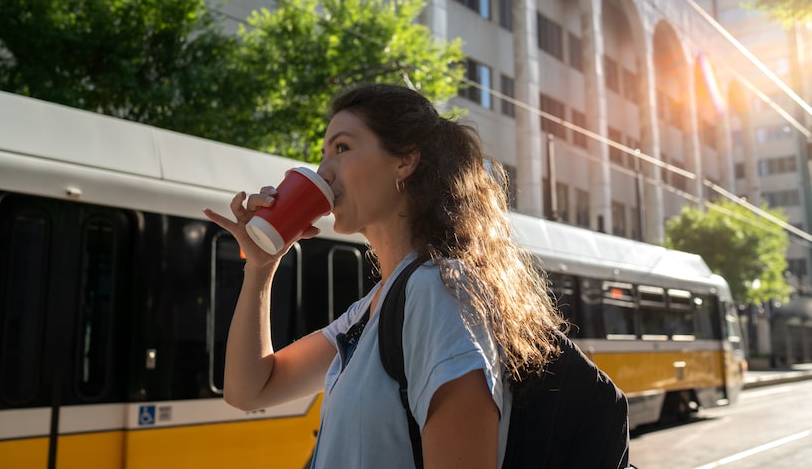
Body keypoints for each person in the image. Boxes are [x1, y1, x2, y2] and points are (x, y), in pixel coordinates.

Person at [203, 83, 565, 468]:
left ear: (404, 161)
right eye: (324, 154)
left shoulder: (437, 290)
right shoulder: (371, 310)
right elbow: (249, 390)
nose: (324, 171)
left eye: (341, 148)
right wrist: (261, 267)